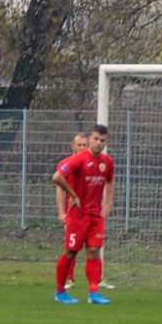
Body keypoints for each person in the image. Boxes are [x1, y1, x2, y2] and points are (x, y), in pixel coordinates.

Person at [52, 125, 115, 305]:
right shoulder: (79, 159)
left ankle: (94, 293)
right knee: (71, 252)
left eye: (102, 140)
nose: (98, 143)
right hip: (77, 216)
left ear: (106, 142)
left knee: (94, 251)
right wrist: (73, 195)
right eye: (96, 139)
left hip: (96, 216)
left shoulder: (107, 162)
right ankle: (60, 292)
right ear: (90, 139)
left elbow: (110, 181)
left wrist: (108, 203)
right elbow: (57, 177)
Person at [56, 133, 88, 290]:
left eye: (84, 145)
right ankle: (69, 279)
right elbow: (59, 190)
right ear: (72, 146)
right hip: (73, 213)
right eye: (79, 145)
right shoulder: (65, 164)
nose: (82, 148)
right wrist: (61, 212)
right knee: (71, 247)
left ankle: (97, 280)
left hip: (90, 213)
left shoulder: (92, 163)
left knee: (94, 247)